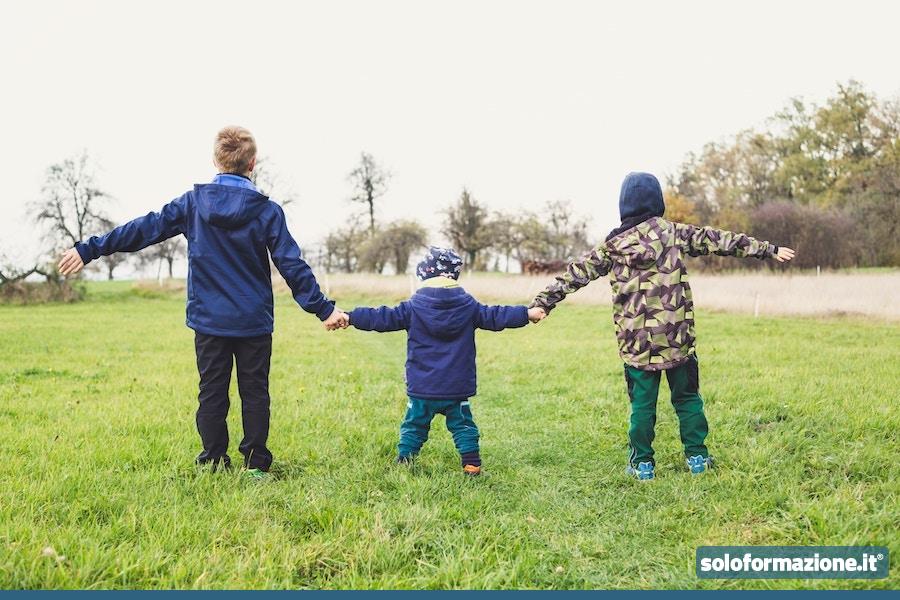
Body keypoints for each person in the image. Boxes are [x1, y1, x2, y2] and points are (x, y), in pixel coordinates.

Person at [57, 126, 348, 478]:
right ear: (252, 163)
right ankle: (255, 465)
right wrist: (323, 309)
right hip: (253, 321)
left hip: (209, 321)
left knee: (211, 392)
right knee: (255, 391)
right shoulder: (267, 211)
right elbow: (292, 264)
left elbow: (143, 229)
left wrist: (89, 249)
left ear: (215, 160)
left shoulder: (193, 204)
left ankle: (212, 460)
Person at [530, 172, 795, 480]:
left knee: (642, 406)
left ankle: (642, 464)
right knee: (687, 399)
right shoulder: (672, 233)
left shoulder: (612, 246)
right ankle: (697, 457)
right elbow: (719, 240)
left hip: (637, 345)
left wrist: (543, 302)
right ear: (657, 202)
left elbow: (575, 274)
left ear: (624, 206)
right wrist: (768, 249)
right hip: (677, 338)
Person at [341, 247, 544, 475]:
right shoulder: (469, 307)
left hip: (422, 387)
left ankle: (404, 461)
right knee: (463, 426)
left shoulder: (412, 307)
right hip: (456, 387)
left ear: (425, 275)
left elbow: (381, 317)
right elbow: (496, 315)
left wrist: (351, 317)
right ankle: (471, 464)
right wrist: (526, 314)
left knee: (414, 425)